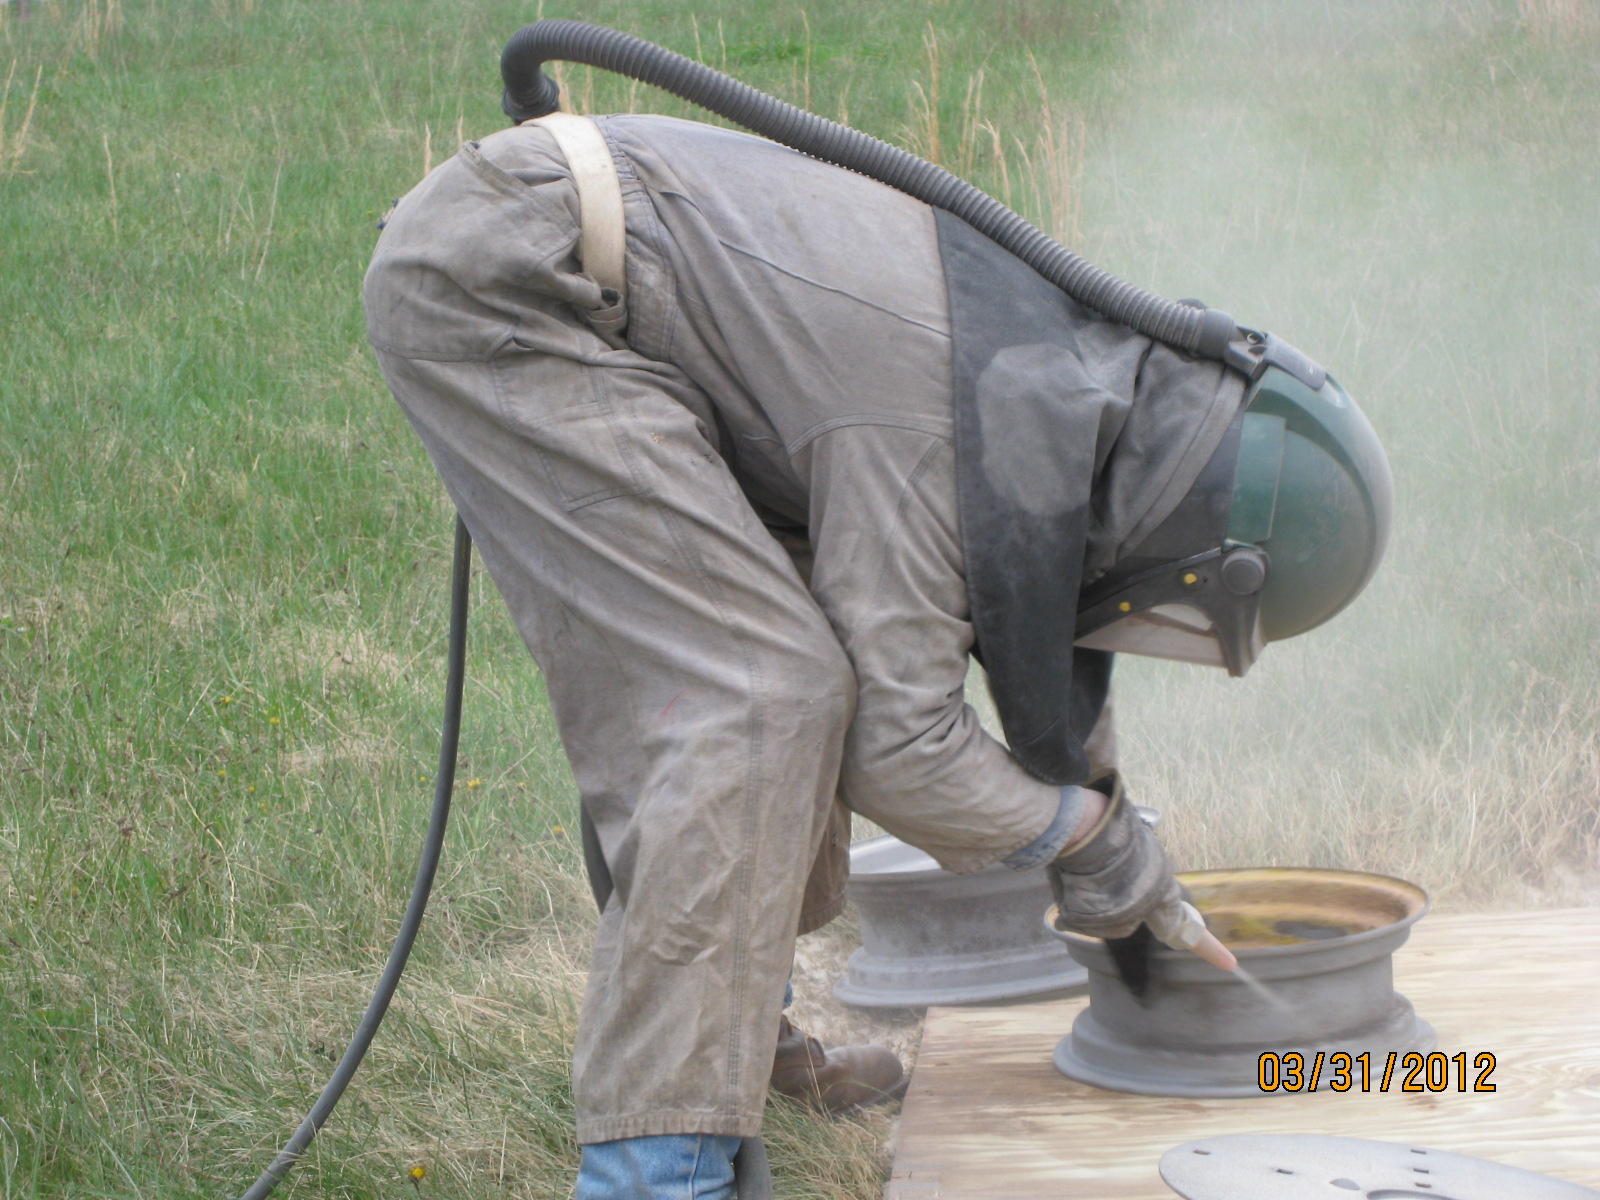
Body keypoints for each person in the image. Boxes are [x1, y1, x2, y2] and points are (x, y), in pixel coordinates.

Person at [363, 110, 1390, 1199]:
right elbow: (898, 751)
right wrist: (1088, 839)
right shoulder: (936, 428)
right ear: (1199, 542)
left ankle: (743, 1050)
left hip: (623, 281)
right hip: (518, 283)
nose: (1154, 633)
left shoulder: (1067, 387)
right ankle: (653, 1172)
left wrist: (1102, 807)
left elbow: (1045, 629)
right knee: (760, 695)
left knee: (788, 678)